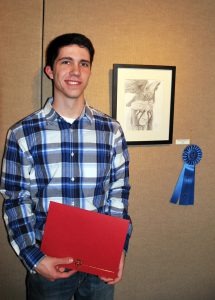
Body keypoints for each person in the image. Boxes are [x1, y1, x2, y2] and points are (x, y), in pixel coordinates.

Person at [0, 33, 132, 300]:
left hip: (100, 263)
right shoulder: (22, 134)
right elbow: (15, 200)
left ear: (90, 70)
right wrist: (34, 258)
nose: (75, 71)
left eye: (84, 63)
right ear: (50, 70)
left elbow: (118, 194)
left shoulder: (112, 131)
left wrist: (119, 250)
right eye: (66, 62)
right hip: (49, 261)